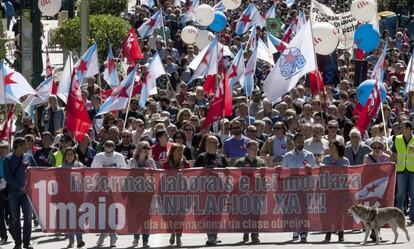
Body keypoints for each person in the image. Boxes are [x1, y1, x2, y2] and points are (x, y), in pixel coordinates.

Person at [4, 137, 38, 249]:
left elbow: (36, 170)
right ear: (17, 146)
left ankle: (27, 243)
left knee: (28, 218)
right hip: (13, 193)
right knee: (15, 219)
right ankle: (18, 243)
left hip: (27, 193)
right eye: (24, 144)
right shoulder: (8, 159)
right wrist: (20, 187)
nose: (26, 146)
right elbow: (8, 177)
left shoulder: (29, 156)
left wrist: (30, 185)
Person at [281, 133, 316, 242]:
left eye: (302, 141)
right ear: (294, 142)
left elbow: (315, 172)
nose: (301, 143)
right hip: (291, 187)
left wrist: (310, 169)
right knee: (293, 210)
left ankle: (304, 231)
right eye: (299, 141)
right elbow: (283, 172)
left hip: (305, 187)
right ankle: (295, 230)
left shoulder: (309, 155)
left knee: (304, 211)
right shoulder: (287, 156)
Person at [92, 140, 127, 248]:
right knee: (102, 214)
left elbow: (124, 172)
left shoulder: (119, 157)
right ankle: (103, 233)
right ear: (104, 149)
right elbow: (91, 171)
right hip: (101, 189)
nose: (108, 155)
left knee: (113, 213)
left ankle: (113, 237)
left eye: (110, 153)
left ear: (114, 149)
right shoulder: (98, 157)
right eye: (106, 153)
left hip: (115, 189)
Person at [194, 135, 228, 245]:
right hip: (205, 192)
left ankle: (214, 234)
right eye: (208, 142)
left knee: (217, 215)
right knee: (207, 214)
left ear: (218, 145)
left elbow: (227, 173)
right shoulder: (201, 157)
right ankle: (210, 235)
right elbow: (194, 174)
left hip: (219, 192)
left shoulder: (221, 158)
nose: (210, 144)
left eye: (213, 142)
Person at [235, 140, 267, 244]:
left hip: (257, 192)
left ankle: (255, 234)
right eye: (253, 149)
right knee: (245, 213)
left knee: (255, 214)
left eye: (257, 149)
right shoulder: (240, 162)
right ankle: (245, 231)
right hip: (244, 193)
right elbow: (235, 177)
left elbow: (266, 176)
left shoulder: (261, 162)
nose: (255, 151)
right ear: (247, 149)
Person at [320, 141, 349, 243]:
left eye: (332, 147)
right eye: (330, 147)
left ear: (338, 148)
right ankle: (328, 232)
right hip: (329, 190)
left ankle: (341, 233)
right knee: (329, 212)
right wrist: (321, 167)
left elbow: (348, 174)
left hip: (341, 190)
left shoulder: (345, 161)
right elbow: (321, 171)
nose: (330, 149)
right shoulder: (326, 159)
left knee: (340, 213)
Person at [162, 143, 191, 247]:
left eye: (181, 150)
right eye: (178, 150)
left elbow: (189, 178)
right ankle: (172, 232)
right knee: (170, 217)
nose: (180, 152)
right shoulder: (166, 164)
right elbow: (162, 179)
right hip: (169, 195)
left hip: (182, 195)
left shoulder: (185, 164)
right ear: (172, 152)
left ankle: (178, 235)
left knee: (180, 217)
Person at [128, 141, 156, 247]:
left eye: (148, 148)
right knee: (136, 216)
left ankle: (145, 240)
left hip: (147, 193)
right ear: (139, 148)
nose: (146, 149)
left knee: (146, 217)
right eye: (144, 147)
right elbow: (129, 173)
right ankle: (136, 237)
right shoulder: (132, 161)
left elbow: (154, 174)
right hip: (135, 193)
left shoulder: (151, 161)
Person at [59, 147, 85, 248]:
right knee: (69, 219)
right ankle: (71, 240)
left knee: (78, 218)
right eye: (67, 154)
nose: (69, 156)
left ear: (74, 156)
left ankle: (79, 240)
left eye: (71, 154)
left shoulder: (80, 165)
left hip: (77, 196)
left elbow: (84, 179)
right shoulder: (61, 167)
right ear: (65, 156)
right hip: (65, 197)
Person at [390, 120, 414, 224]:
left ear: (408, 129)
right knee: (400, 194)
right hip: (400, 170)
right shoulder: (397, 139)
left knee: (413, 194)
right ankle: (398, 217)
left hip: (413, 170)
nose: (400, 129)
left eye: (402, 127)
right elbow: (394, 155)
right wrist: (390, 155)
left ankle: (412, 217)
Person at [0, 140, 10, 245]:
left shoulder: (12, 159)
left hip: (10, 190)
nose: (2, 150)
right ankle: (3, 236)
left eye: (4, 147)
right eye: (1, 148)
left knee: (10, 215)